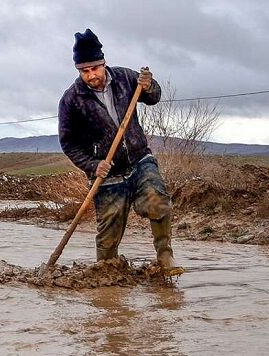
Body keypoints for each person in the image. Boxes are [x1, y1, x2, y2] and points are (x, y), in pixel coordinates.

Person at [58, 28, 182, 276]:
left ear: (103, 63)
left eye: (94, 68)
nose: (91, 75)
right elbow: (68, 143)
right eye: (84, 71)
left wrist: (148, 86)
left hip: (139, 159)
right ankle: (107, 278)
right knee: (108, 236)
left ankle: (165, 258)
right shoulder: (71, 100)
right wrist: (93, 165)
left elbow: (154, 96)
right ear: (78, 71)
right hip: (107, 173)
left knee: (157, 202)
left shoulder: (126, 78)